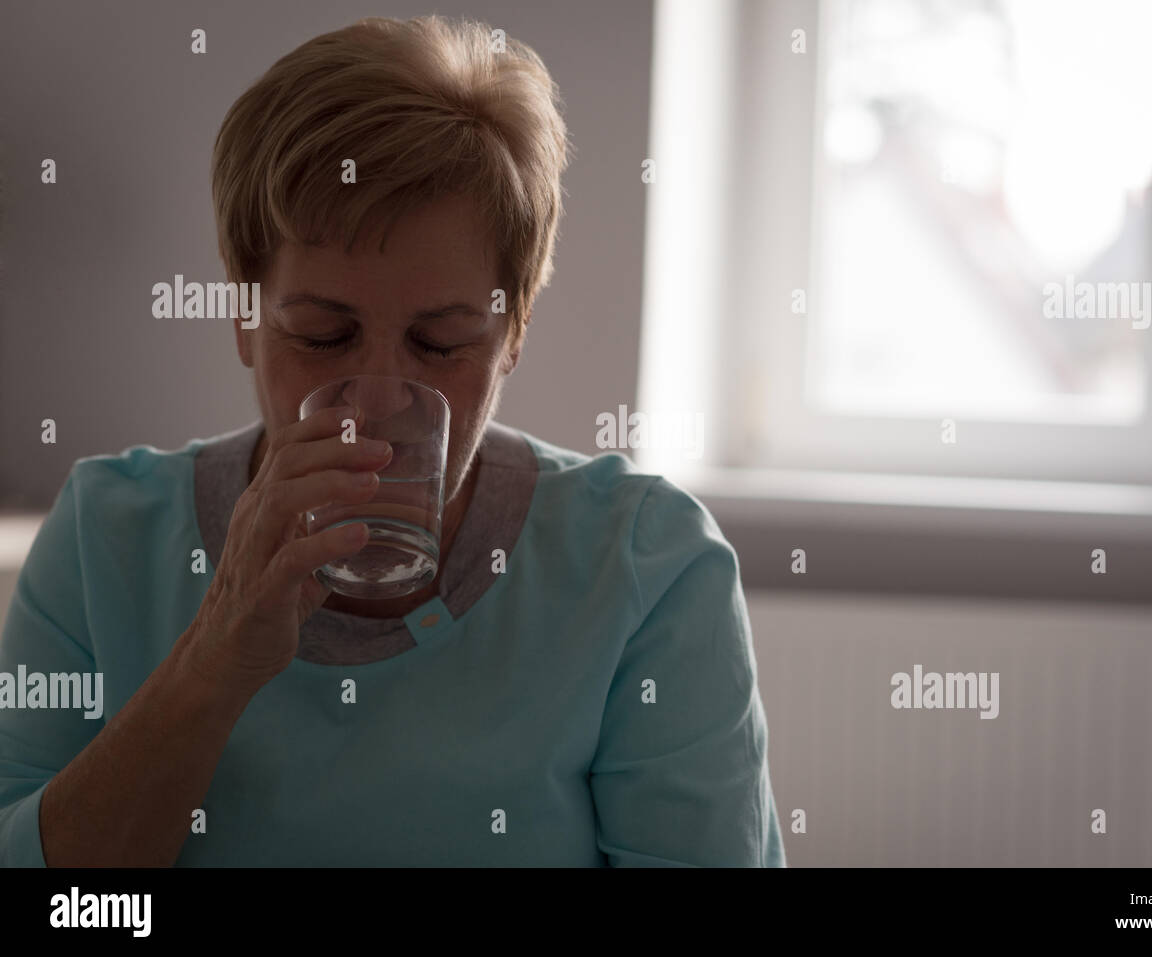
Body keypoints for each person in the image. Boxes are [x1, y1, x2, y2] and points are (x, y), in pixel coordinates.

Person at [0, 13, 785, 867]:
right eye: (322, 336)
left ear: (513, 333)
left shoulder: (645, 566)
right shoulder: (104, 537)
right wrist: (213, 659)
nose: (373, 406)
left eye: (441, 345)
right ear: (244, 316)